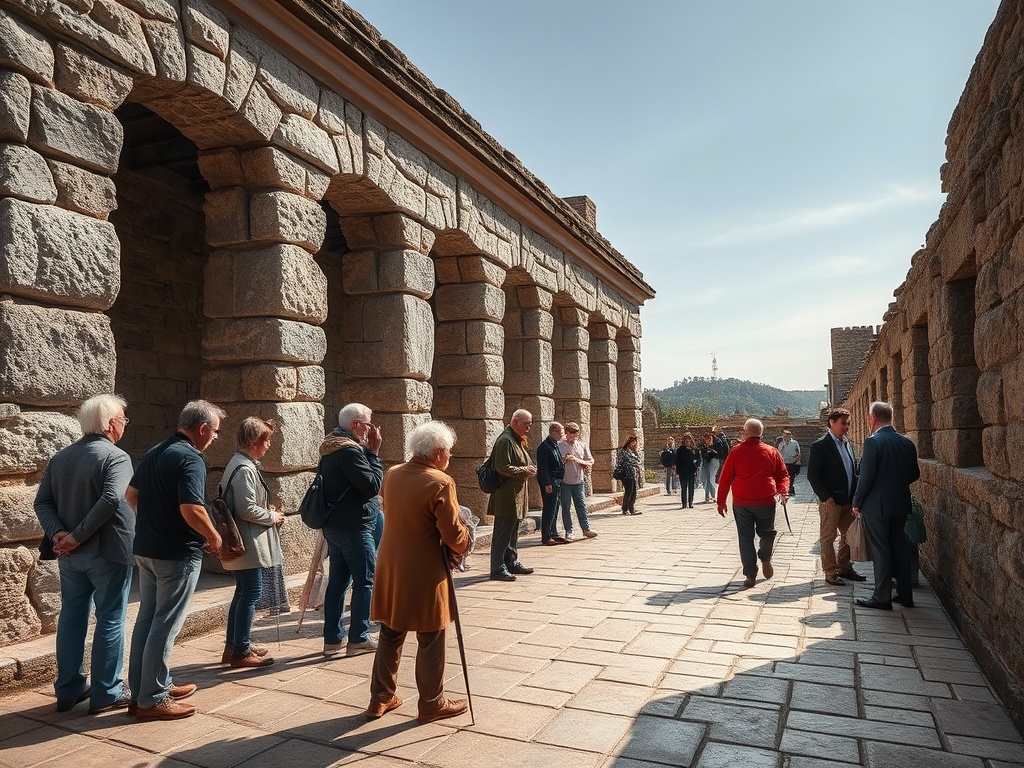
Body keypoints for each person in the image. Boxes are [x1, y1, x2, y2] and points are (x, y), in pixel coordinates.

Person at [34, 394, 135, 714]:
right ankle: (107, 692)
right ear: (109, 424)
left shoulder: (61, 457)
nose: (124, 425)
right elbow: (111, 500)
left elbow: (42, 503)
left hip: (69, 555)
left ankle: (68, 689)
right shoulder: (116, 457)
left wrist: (59, 535)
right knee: (111, 619)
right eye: (123, 419)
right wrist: (74, 537)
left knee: (72, 617)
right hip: (108, 552)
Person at [366, 421, 471, 724]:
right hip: (423, 567)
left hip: (391, 561)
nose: (449, 457)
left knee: (391, 629)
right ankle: (431, 702)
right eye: (448, 452)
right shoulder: (440, 482)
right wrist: (464, 542)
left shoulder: (394, 473)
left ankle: (380, 697)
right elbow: (453, 535)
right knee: (431, 634)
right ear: (438, 453)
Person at [127, 400, 226, 720]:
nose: (214, 438)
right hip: (176, 554)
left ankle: (146, 688)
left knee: (148, 620)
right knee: (164, 625)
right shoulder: (191, 458)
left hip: (146, 549)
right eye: (215, 432)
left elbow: (131, 495)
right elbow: (192, 509)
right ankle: (152, 698)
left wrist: (155, 521)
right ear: (202, 429)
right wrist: (214, 536)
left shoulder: (156, 451)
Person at [220, 417, 285, 668]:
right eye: (266, 440)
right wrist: (272, 516)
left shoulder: (241, 463)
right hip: (248, 542)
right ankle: (240, 650)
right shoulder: (244, 468)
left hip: (247, 539)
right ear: (255, 441)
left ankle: (234, 645)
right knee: (251, 593)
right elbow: (246, 509)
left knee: (243, 593)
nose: (268, 446)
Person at [321, 403, 384, 656]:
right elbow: (372, 486)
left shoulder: (331, 446)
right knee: (364, 581)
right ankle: (358, 636)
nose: (371, 430)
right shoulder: (350, 452)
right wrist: (374, 453)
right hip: (355, 527)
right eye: (368, 424)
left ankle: (333, 639)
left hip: (337, 526)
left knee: (338, 582)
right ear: (355, 425)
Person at [853, 401, 920, 611]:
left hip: (876, 506)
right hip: (900, 503)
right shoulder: (906, 442)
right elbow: (914, 474)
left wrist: (857, 502)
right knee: (901, 548)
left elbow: (866, 478)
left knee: (880, 549)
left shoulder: (873, 442)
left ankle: (882, 596)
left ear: (873, 418)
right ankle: (905, 595)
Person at [716, 418, 790, 588]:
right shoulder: (771, 451)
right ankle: (765, 556)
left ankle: (750, 575)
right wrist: (783, 491)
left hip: (742, 502)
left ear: (744, 432)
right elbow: (783, 474)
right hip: (766, 500)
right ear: (761, 433)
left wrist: (721, 502)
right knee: (767, 533)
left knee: (745, 538)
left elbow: (725, 478)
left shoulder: (736, 452)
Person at [806, 408, 865, 587]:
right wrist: (825, 496)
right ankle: (830, 572)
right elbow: (813, 475)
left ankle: (844, 567)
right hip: (830, 501)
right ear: (831, 423)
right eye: (843, 423)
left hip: (847, 500)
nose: (846, 427)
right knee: (828, 537)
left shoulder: (847, 443)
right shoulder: (820, 445)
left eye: (848, 423)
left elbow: (852, 471)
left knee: (849, 535)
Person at [487, 409, 537, 580]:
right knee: (502, 533)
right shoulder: (505, 441)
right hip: (506, 496)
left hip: (515, 495)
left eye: (530, 424)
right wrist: (525, 470)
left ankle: (511, 562)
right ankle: (498, 568)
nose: (529, 428)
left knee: (512, 532)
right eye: (526, 424)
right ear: (515, 422)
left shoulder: (515, 439)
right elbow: (502, 467)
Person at [558, 421, 598, 538]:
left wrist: (577, 460)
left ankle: (585, 529)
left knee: (581, 504)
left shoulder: (582, 445)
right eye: (572, 433)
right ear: (567, 433)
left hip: (578, 480)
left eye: (577, 433)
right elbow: (555, 462)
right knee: (566, 505)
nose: (575, 435)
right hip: (565, 480)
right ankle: (569, 530)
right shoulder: (559, 445)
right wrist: (564, 460)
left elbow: (591, 461)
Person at [536, 421, 568, 545]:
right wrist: (547, 483)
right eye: (561, 431)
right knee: (549, 508)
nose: (562, 434)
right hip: (550, 481)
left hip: (557, 481)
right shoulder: (544, 446)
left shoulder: (554, 445)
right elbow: (543, 468)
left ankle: (553, 533)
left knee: (555, 508)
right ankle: (546, 536)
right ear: (553, 431)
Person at [615, 435, 644, 515]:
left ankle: (631, 508)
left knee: (633, 491)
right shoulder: (623, 451)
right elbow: (624, 461)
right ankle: (625, 509)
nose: (633, 444)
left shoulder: (632, 451)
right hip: (626, 474)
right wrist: (633, 462)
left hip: (632, 473)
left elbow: (638, 460)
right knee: (629, 491)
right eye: (632, 442)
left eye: (635, 442)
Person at [674, 432, 700, 509]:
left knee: (691, 488)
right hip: (683, 471)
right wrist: (677, 472)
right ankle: (684, 503)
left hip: (691, 471)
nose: (687, 443)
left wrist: (697, 466)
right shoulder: (680, 450)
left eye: (689, 441)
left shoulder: (694, 449)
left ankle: (690, 502)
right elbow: (677, 461)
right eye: (686, 441)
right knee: (684, 488)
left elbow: (698, 459)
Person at [779, 430, 801, 497]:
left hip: (792, 462)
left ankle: (790, 490)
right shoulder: (781, 444)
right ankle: (786, 490)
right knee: (784, 477)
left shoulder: (794, 443)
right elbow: (778, 452)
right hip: (784, 463)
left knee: (791, 477)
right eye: (785, 436)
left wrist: (798, 461)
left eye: (787, 436)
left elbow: (798, 452)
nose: (786, 438)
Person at [699, 432, 719, 503]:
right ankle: (709, 495)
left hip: (712, 463)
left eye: (708, 439)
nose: (707, 441)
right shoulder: (702, 446)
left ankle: (711, 496)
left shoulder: (714, 446)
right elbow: (702, 455)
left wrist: (711, 451)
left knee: (710, 479)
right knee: (704, 479)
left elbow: (716, 455)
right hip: (705, 463)